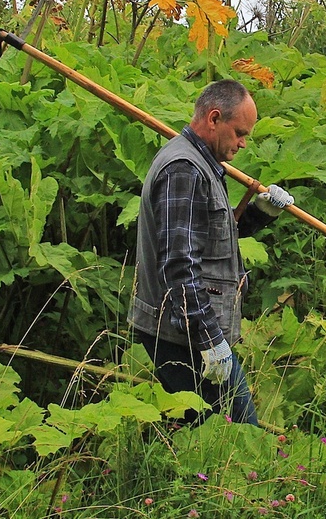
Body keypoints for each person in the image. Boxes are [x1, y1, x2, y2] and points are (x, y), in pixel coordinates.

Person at [128, 79, 293, 425]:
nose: (243, 143)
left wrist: (262, 212)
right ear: (214, 118)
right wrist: (210, 342)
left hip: (188, 328)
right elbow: (180, 264)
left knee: (197, 429)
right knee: (235, 433)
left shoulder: (201, 164)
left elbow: (215, 239)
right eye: (239, 133)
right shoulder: (183, 170)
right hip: (180, 332)